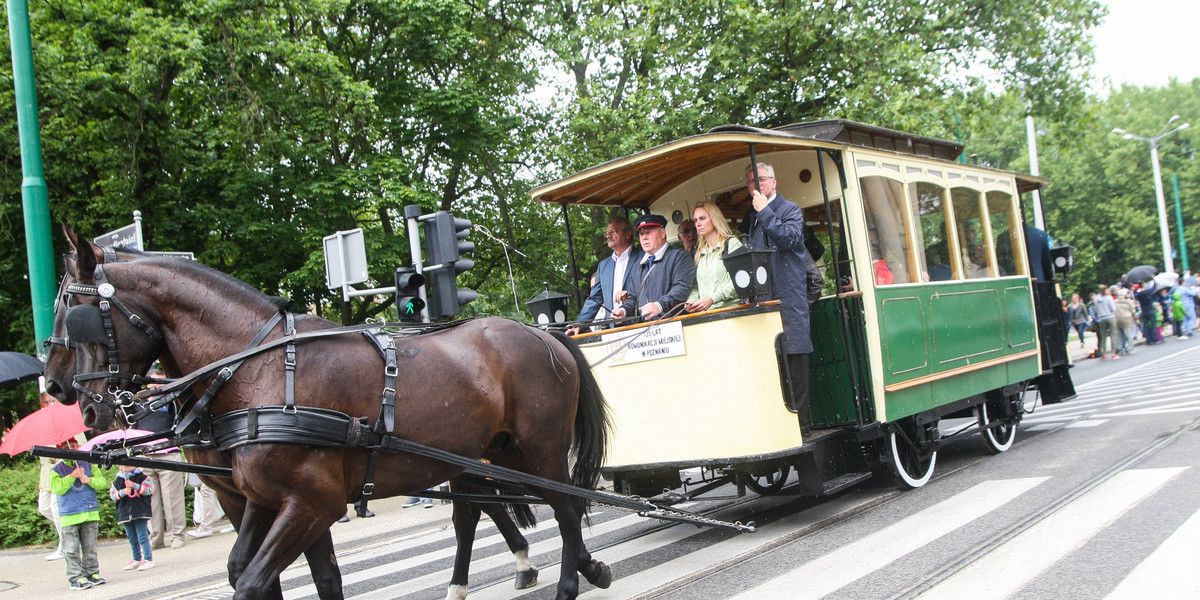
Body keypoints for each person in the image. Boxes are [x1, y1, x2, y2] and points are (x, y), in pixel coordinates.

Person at [740, 162, 814, 426]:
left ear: (773, 182)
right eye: (750, 182)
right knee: (775, 375)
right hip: (765, 303)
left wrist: (766, 212)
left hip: (788, 303)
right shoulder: (751, 218)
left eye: (760, 179)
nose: (755, 185)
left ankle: (803, 431)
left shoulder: (789, 209)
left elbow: (789, 240)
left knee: (795, 373)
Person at [610, 214, 696, 321]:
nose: (644, 237)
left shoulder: (679, 257)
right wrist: (623, 310)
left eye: (648, 232)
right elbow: (633, 297)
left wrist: (659, 305)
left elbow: (681, 289)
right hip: (646, 329)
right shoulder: (638, 264)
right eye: (641, 234)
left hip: (674, 324)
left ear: (662, 233)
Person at [567, 217, 644, 335]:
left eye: (613, 232)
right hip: (614, 330)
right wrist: (580, 324)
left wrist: (629, 293)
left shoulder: (643, 257)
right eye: (606, 233)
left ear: (628, 234)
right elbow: (594, 299)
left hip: (641, 325)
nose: (608, 236)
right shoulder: (603, 266)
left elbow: (653, 286)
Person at [50, 438, 109, 590]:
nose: (71, 448)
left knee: (90, 547)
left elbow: (102, 482)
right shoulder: (56, 470)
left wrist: (88, 479)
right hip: (69, 515)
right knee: (71, 549)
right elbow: (57, 489)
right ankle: (75, 577)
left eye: (74, 445)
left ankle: (92, 572)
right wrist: (72, 476)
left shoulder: (88, 463)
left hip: (90, 512)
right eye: (65, 446)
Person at [140, 369, 187, 550]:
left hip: (168, 454)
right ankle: (156, 538)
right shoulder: (139, 406)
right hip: (144, 456)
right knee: (149, 500)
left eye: (161, 382)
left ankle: (177, 535)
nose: (158, 386)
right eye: (154, 382)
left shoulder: (174, 403)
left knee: (172, 499)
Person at [684, 202, 741, 313]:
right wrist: (691, 300)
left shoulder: (731, 244)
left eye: (702, 218)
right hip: (707, 316)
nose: (698, 224)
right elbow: (696, 286)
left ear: (714, 219)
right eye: (695, 220)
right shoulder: (700, 252)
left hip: (731, 312)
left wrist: (712, 299)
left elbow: (739, 281)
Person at [109, 464, 155, 571]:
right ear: (119, 467)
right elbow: (113, 496)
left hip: (140, 512)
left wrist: (135, 486)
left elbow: (148, 490)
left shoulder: (143, 477)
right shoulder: (117, 482)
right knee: (132, 538)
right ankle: (136, 559)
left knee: (142, 536)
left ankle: (148, 559)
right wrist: (124, 492)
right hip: (125, 514)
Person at [1092, 285, 1119, 360]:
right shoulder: (1108, 298)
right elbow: (1113, 308)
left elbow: (1096, 309)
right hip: (1110, 316)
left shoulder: (1096, 299)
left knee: (1103, 336)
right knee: (1113, 334)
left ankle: (1104, 353)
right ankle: (1113, 352)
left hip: (1101, 318)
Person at [1113, 288, 1139, 355]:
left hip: (1117, 319)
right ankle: (1130, 349)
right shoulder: (1129, 302)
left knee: (1119, 335)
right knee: (1129, 335)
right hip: (1127, 319)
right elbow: (1133, 311)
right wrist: (1136, 319)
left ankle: (1120, 349)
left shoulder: (1115, 301)